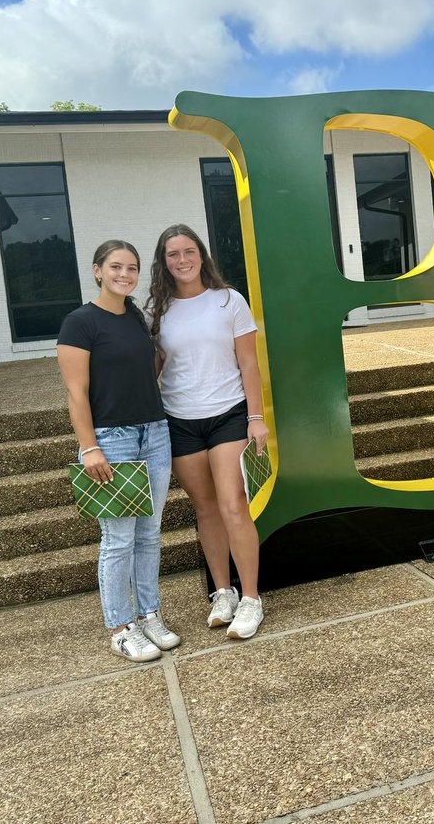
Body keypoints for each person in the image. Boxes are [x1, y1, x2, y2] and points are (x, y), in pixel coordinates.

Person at [56, 240, 180, 662]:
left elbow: (150, 365)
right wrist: (88, 447)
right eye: (115, 267)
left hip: (155, 432)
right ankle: (121, 627)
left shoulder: (134, 316)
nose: (124, 274)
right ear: (97, 270)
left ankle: (149, 615)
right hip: (112, 439)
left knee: (149, 534)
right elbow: (76, 392)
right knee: (118, 538)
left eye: (131, 268)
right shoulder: (80, 322)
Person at [147, 224, 269, 640]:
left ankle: (251, 599)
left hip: (228, 415)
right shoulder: (157, 311)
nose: (182, 260)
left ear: (202, 255)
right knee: (205, 509)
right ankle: (223, 592)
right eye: (172, 254)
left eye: (189, 251)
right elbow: (153, 372)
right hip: (179, 420)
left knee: (234, 505)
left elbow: (249, 364)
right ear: (163, 263)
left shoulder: (228, 301)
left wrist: (256, 417)